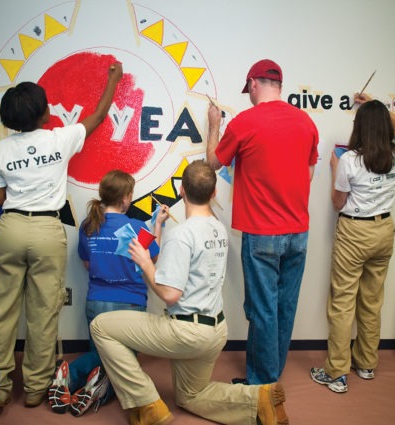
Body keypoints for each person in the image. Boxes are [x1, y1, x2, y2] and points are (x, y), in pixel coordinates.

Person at [90, 160, 289, 425]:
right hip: (215, 331)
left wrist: (145, 263)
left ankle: (145, 404)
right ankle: (258, 400)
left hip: (186, 333)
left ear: (181, 190)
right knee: (190, 396)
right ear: (214, 193)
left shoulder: (181, 235)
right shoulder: (218, 228)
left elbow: (170, 295)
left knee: (101, 326)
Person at [0, 61, 123, 409]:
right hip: (47, 229)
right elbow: (99, 115)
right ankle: (35, 388)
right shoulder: (60, 138)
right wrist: (113, 80)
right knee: (44, 312)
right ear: (42, 114)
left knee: (0, 312)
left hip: (10, 227)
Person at [206, 59, 319, 385]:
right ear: (279, 85)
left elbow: (213, 163)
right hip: (298, 231)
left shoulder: (245, 122)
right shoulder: (306, 122)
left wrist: (214, 125)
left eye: (249, 90)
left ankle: (262, 382)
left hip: (261, 232)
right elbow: (308, 173)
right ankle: (271, 372)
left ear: (254, 84)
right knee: (285, 307)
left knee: (262, 309)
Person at [310, 93, 395, 393]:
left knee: (341, 303)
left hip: (355, 232)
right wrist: (375, 104)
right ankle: (365, 364)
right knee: (372, 300)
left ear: (360, 127)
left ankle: (337, 373)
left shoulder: (350, 160)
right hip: (384, 231)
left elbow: (338, 203)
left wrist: (334, 169)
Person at [48, 169, 163, 416]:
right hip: (130, 304)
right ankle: (99, 390)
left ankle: (70, 376)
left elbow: (87, 263)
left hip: (96, 301)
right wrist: (159, 225)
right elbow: (151, 258)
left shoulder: (89, 225)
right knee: (123, 364)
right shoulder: (135, 226)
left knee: (98, 354)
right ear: (125, 198)